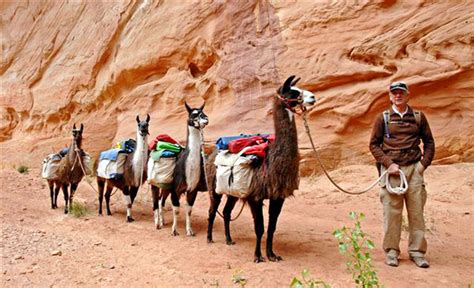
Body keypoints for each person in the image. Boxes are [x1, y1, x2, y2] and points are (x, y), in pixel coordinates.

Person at [369, 81, 435, 268]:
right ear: (390, 96)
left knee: (416, 214)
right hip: (392, 173)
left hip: (414, 170)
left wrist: (422, 166)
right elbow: (374, 145)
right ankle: (391, 252)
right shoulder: (383, 118)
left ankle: (417, 252)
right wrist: (388, 164)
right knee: (392, 214)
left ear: (407, 95)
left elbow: (429, 143)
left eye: (401, 93)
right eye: (394, 93)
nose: (398, 96)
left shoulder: (418, 117)